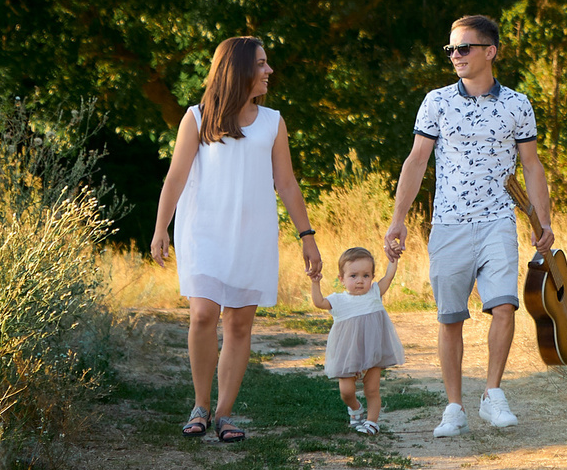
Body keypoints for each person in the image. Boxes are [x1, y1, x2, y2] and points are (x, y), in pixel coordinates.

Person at [385, 14, 554, 437]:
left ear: (490, 51)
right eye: (451, 49)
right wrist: (399, 219)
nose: (455, 56)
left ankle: (492, 395)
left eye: (464, 48)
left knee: (504, 305)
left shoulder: (517, 104)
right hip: (448, 223)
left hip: (499, 220)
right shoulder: (436, 101)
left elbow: (531, 166)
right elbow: (416, 161)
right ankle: (454, 407)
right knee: (450, 318)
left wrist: (543, 220)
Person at [150, 36, 324, 442]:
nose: (269, 71)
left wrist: (307, 236)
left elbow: (286, 182)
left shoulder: (272, 122)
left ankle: (225, 414)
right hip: (204, 231)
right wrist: (161, 227)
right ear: (240, 69)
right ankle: (200, 406)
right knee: (202, 315)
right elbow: (175, 177)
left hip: (253, 234)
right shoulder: (196, 118)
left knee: (240, 323)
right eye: (262, 64)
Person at [312, 245, 404, 434]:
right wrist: (315, 282)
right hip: (348, 355)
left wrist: (393, 259)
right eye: (353, 276)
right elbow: (319, 302)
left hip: (373, 353)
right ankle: (355, 409)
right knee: (346, 391)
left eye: (366, 275)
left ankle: (372, 422)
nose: (360, 281)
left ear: (372, 277)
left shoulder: (374, 293)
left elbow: (389, 277)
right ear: (342, 279)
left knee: (372, 390)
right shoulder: (338, 301)